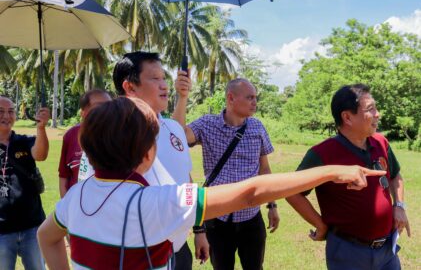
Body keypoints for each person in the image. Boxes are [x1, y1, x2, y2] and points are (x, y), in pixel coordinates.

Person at [36, 97, 385, 270]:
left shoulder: (77, 195)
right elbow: (252, 190)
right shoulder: (154, 203)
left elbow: (46, 237)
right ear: (147, 155)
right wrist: (330, 171)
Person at [286, 84, 410, 270]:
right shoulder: (322, 153)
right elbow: (292, 192)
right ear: (347, 117)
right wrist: (320, 225)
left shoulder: (381, 142)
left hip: (386, 250)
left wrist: (399, 205)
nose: (378, 114)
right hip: (348, 252)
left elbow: (395, 175)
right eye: (370, 109)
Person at [106, 51, 208, 268]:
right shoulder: (110, 134)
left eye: (164, 78)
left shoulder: (174, 129)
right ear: (130, 87)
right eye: (155, 78)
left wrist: (199, 230)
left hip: (178, 248)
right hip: (135, 252)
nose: (164, 85)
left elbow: (186, 181)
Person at [173, 77, 280, 270]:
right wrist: (182, 97)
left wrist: (272, 205)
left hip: (251, 217)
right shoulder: (207, 124)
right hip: (218, 220)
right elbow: (177, 136)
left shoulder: (257, 127)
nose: (255, 102)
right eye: (250, 97)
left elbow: (264, 169)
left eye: (255, 97)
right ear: (231, 98)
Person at [0, 96, 50, 270]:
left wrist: (41, 128)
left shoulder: (24, 141)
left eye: (11, 111)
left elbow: (40, 154)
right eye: (1, 111)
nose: (6, 115)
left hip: (32, 227)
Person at [58, 89, 111, 198]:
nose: (107, 110)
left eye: (110, 105)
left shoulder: (119, 135)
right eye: (100, 106)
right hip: (77, 206)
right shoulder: (71, 135)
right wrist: (66, 206)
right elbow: (64, 176)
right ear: (83, 112)